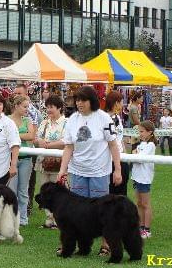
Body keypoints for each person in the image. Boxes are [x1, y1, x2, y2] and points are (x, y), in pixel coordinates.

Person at [57, 86, 122, 257]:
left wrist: (118, 170)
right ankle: (80, 246)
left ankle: (106, 245)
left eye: (83, 100)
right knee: (78, 212)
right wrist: (62, 170)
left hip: (99, 172)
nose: (79, 103)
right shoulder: (72, 120)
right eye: (77, 100)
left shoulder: (104, 119)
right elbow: (68, 147)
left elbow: (113, 146)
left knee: (103, 211)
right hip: (77, 171)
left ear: (91, 101)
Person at [34, 94, 67, 228]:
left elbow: (66, 142)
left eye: (51, 107)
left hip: (60, 163)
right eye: (47, 107)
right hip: (43, 162)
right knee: (45, 190)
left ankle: (59, 219)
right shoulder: (44, 122)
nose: (48, 110)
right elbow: (36, 139)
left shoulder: (67, 123)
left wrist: (47, 144)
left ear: (59, 108)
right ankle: (49, 219)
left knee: (59, 192)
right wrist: (39, 142)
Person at [14, 84, 42, 217]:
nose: (16, 95)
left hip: (29, 152)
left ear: (26, 94)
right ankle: (16, 213)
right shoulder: (10, 114)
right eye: (15, 93)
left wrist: (14, 136)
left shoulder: (32, 113)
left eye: (19, 93)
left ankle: (26, 210)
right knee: (15, 186)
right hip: (14, 155)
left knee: (28, 184)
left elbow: (32, 135)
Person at [7, 95, 35, 226]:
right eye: (24, 106)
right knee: (11, 190)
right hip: (11, 159)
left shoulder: (27, 120)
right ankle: (12, 217)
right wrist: (21, 137)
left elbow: (31, 136)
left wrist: (15, 136)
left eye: (27, 106)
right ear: (16, 106)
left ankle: (23, 218)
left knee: (23, 191)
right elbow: (5, 137)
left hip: (26, 159)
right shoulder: (7, 120)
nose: (27, 109)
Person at [131, 120, 156, 239]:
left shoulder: (151, 145)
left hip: (144, 178)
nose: (139, 134)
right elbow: (134, 155)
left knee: (145, 204)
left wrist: (135, 154)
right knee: (139, 203)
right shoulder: (141, 144)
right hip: (136, 177)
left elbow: (139, 159)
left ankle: (147, 229)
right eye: (139, 131)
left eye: (142, 131)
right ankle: (140, 227)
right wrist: (135, 152)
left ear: (149, 132)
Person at [104, 90, 129, 196]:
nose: (122, 104)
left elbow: (120, 138)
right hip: (110, 160)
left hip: (121, 158)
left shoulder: (118, 117)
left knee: (122, 194)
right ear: (116, 103)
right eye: (121, 102)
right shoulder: (105, 118)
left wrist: (126, 156)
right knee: (112, 194)